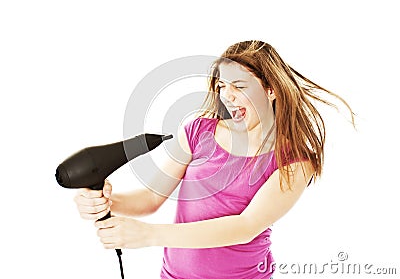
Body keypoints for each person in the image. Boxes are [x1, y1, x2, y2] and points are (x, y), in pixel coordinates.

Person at [74, 40, 354, 278]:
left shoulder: (293, 162)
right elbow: (150, 198)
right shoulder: (199, 131)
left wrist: (148, 235)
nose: (227, 96)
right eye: (222, 85)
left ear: (271, 90)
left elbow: (245, 227)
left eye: (240, 86)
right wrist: (107, 201)